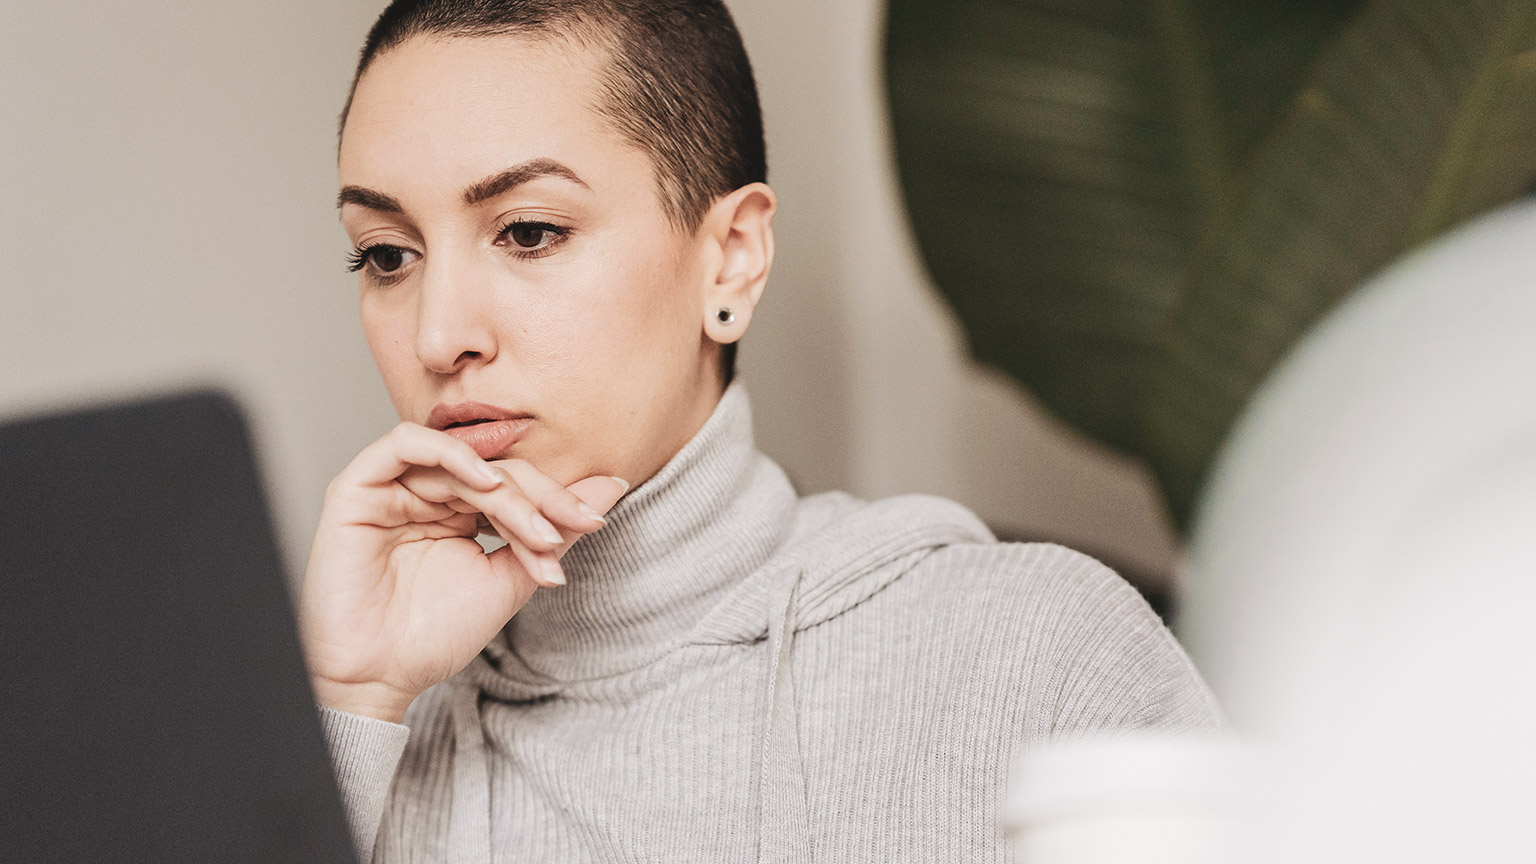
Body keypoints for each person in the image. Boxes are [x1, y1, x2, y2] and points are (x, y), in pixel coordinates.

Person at [302, 1, 1221, 861]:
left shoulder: (1035, 655)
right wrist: (344, 705)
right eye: (387, 254)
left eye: (530, 232)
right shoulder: (362, 738)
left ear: (731, 261)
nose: (437, 335)